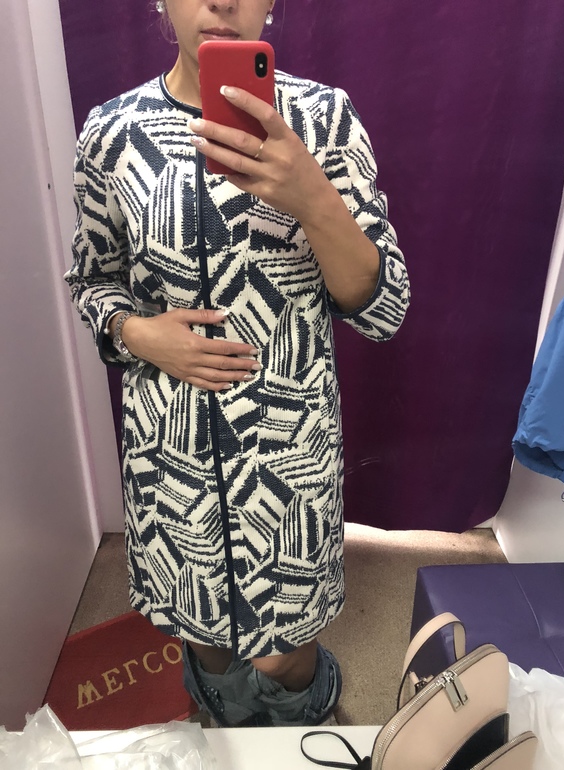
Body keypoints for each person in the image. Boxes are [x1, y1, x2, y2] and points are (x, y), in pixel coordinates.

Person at [64, 0, 410, 728]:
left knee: (284, 657)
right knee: (209, 648)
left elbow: (383, 308)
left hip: (287, 460)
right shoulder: (111, 132)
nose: (220, 1)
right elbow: (93, 280)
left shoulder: (323, 119)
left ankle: (302, 717)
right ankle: (227, 726)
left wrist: (311, 195)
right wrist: (138, 332)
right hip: (172, 456)